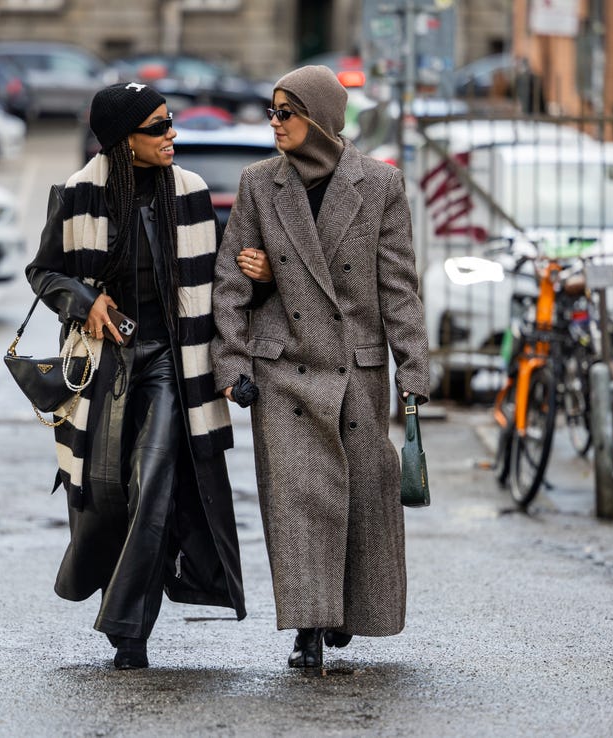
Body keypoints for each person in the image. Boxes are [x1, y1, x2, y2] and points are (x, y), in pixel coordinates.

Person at [210, 65, 430, 669]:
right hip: (281, 370)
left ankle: (346, 611)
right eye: (272, 111)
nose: (275, 123)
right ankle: (308, 627)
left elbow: (397, 288)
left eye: (288, 112)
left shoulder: (381, 186)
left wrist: (414, 371)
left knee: (362, 498)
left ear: (322, 118)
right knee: (297, 503)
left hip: (355, 370)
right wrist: (230, 361)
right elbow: (229, 280)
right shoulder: (261, 184)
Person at [25, 82, 245, 670]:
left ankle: (126, 629)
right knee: (109, 497)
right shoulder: (77, 195)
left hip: (173, 362)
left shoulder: (191, 193)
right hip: (103, 368)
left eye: (170, 122)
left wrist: (258, 280)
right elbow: (43, 271)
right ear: (124, 140)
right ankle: (130, 625)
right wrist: (84, 300)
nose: (172, 134)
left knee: (154, 482)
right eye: (158, 127)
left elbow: (219, 286)